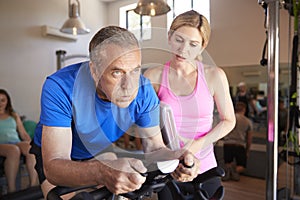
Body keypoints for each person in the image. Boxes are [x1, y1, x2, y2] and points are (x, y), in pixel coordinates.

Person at [29, 25, 200, 199]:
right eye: (117, 72)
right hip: (57, 157)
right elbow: (54, 166)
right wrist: (101, 172)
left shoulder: (144, 91)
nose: (129, 86)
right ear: (95, 71)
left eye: (135, 71)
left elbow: (154, 147)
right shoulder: (60, 87)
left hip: (98, 150)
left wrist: (177, 156)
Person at [144, 10, 236, 199]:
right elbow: (145, 124)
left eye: (193, 44)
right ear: (169, 37)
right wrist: (170, 156)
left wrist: (193, 148)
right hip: (169, 168)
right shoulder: (153, 76)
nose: (183, 49)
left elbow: (228, 121)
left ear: (203, 46)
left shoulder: (214, 76)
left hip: (205, 167)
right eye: (179, 39)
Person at [0, 89, 38, 193]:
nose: (1, 103)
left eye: (3, 100)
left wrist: (31, 143)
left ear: (7, 101)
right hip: (2, 144)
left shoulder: (13, 114)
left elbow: (23, 133)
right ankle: (12, 190)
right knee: (14, 150)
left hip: (15, 141)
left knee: (31, 148)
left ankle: (33, 185)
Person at [222, 102, 253, 181]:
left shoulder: (229, 119)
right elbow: (249, 139)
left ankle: (229, 170)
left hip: (227, 144)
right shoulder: (248, 121)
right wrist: (247, 151)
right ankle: (234, 170)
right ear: (244, 110)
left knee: (227, 163)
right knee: (242, 166)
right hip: (240, 145)